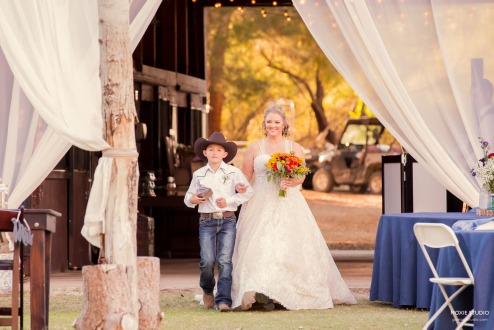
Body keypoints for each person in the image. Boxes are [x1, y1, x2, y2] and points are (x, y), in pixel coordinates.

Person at [231, 104, 357, 310]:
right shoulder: (255, 147)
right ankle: (260, 291)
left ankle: (284, 293)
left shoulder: (294, 148)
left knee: (288, 245)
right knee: (259, 245)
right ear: (264, 124)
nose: (272, 125)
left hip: (288, 201)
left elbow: (301, 175)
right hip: (260, 202)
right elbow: (245, 175)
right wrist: (235, 187)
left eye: (276, 122)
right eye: (269, 122)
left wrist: (291, 181)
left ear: (284, 124)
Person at [184, 132, 253, 312]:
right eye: (211, 149)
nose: (215, 153)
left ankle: (223, 300)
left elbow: (247, 192)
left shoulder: (233, 172)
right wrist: (193, 200)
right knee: (207, 260)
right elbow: (188, 196)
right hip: (206, 221)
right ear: (205, 153)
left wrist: (229, 201)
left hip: (228, 220)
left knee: (225, 260)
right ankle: (207, 290)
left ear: (224, 154)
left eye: (219, 150)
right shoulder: (199, 174)